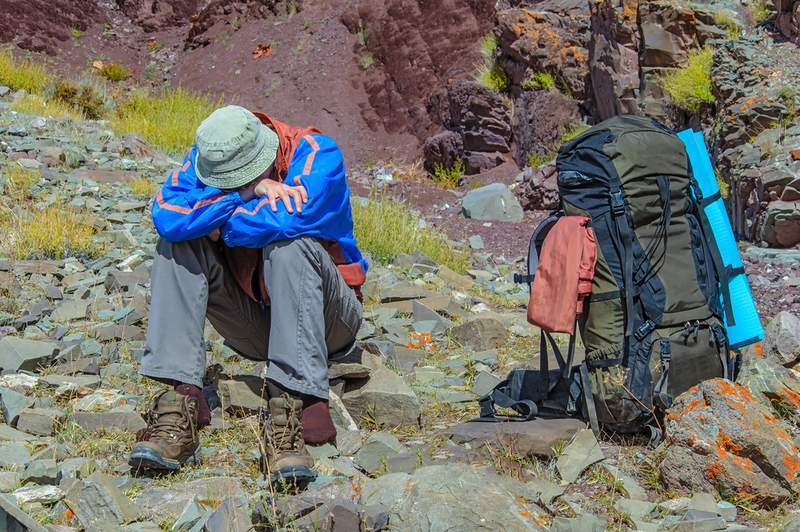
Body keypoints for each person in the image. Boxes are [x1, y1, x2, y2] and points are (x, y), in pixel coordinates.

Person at [127, 105, 366, 488]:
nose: (232, 184)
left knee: (290, 245)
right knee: (176, 245)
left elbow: (288, 218)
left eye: (244, 176)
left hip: (329, 323)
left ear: (268, 153)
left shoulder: (318, 154)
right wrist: (247, 192)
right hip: (257, 326)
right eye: (226, 181)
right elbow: (167, 216)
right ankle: (181, 402)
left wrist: (213, 220)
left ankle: (295, 404)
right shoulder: (208, 156)